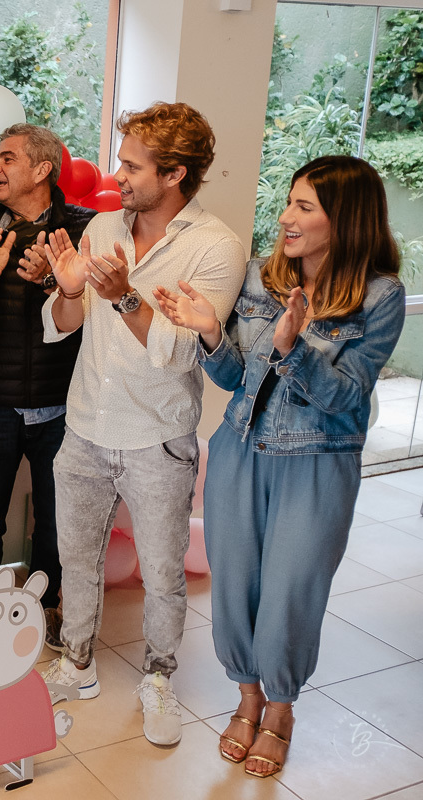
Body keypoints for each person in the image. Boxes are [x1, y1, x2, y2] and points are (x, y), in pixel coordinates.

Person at [153, 155, 405, 777]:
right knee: (235, 586)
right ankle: (247, 697)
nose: (286, 217)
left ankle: (282, 707)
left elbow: (348, 395)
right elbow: (235, 377)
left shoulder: (380, 296)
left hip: (317, 465)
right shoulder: (261, 279)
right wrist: (210, 334)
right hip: (240, 451)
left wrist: (295, 351)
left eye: (304, 207)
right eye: (289, 201)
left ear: (344, 220)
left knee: (292, 592)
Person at [37, 102, 246, 746]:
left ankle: (159, 679)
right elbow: (64, 326)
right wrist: (70, 290)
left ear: (175, 174)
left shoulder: (216, 247)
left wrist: (123, 296)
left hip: (157, 437)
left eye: (132, 166)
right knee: (76, 559)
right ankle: (76, 664)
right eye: (119, 161)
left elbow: (182, 353)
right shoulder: (103, 228)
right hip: (85, 424)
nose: (118, 175)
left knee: (161, 574)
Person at [0, 124, 95, 646]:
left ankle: (47, 609)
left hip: (63, 405)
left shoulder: (85, 229)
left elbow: (99, 313)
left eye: (7, 158)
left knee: (56, 521)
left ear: (42, 169)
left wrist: (53, 279)